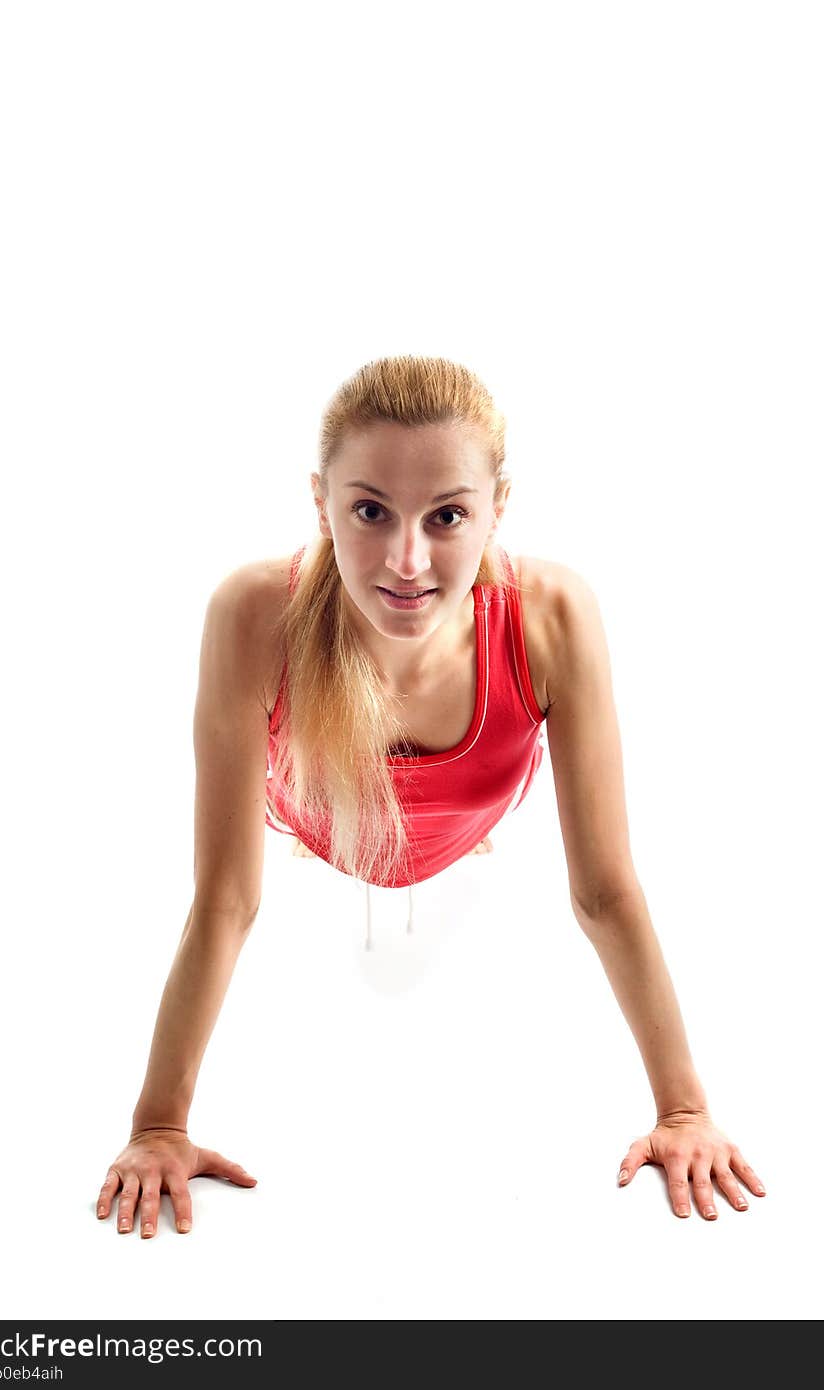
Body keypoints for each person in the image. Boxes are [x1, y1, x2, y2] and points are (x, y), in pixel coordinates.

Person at [96, 355, 766, 1238]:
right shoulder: (254, 612)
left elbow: (605, 890)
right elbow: (225, 898)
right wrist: (157, 1126)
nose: (407, 561)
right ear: (320, 500)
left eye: (447, 515)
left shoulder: (550, 614)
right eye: (369, 511)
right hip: (318, 817)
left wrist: (683, 1109)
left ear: (498, 508)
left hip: (474, 816)